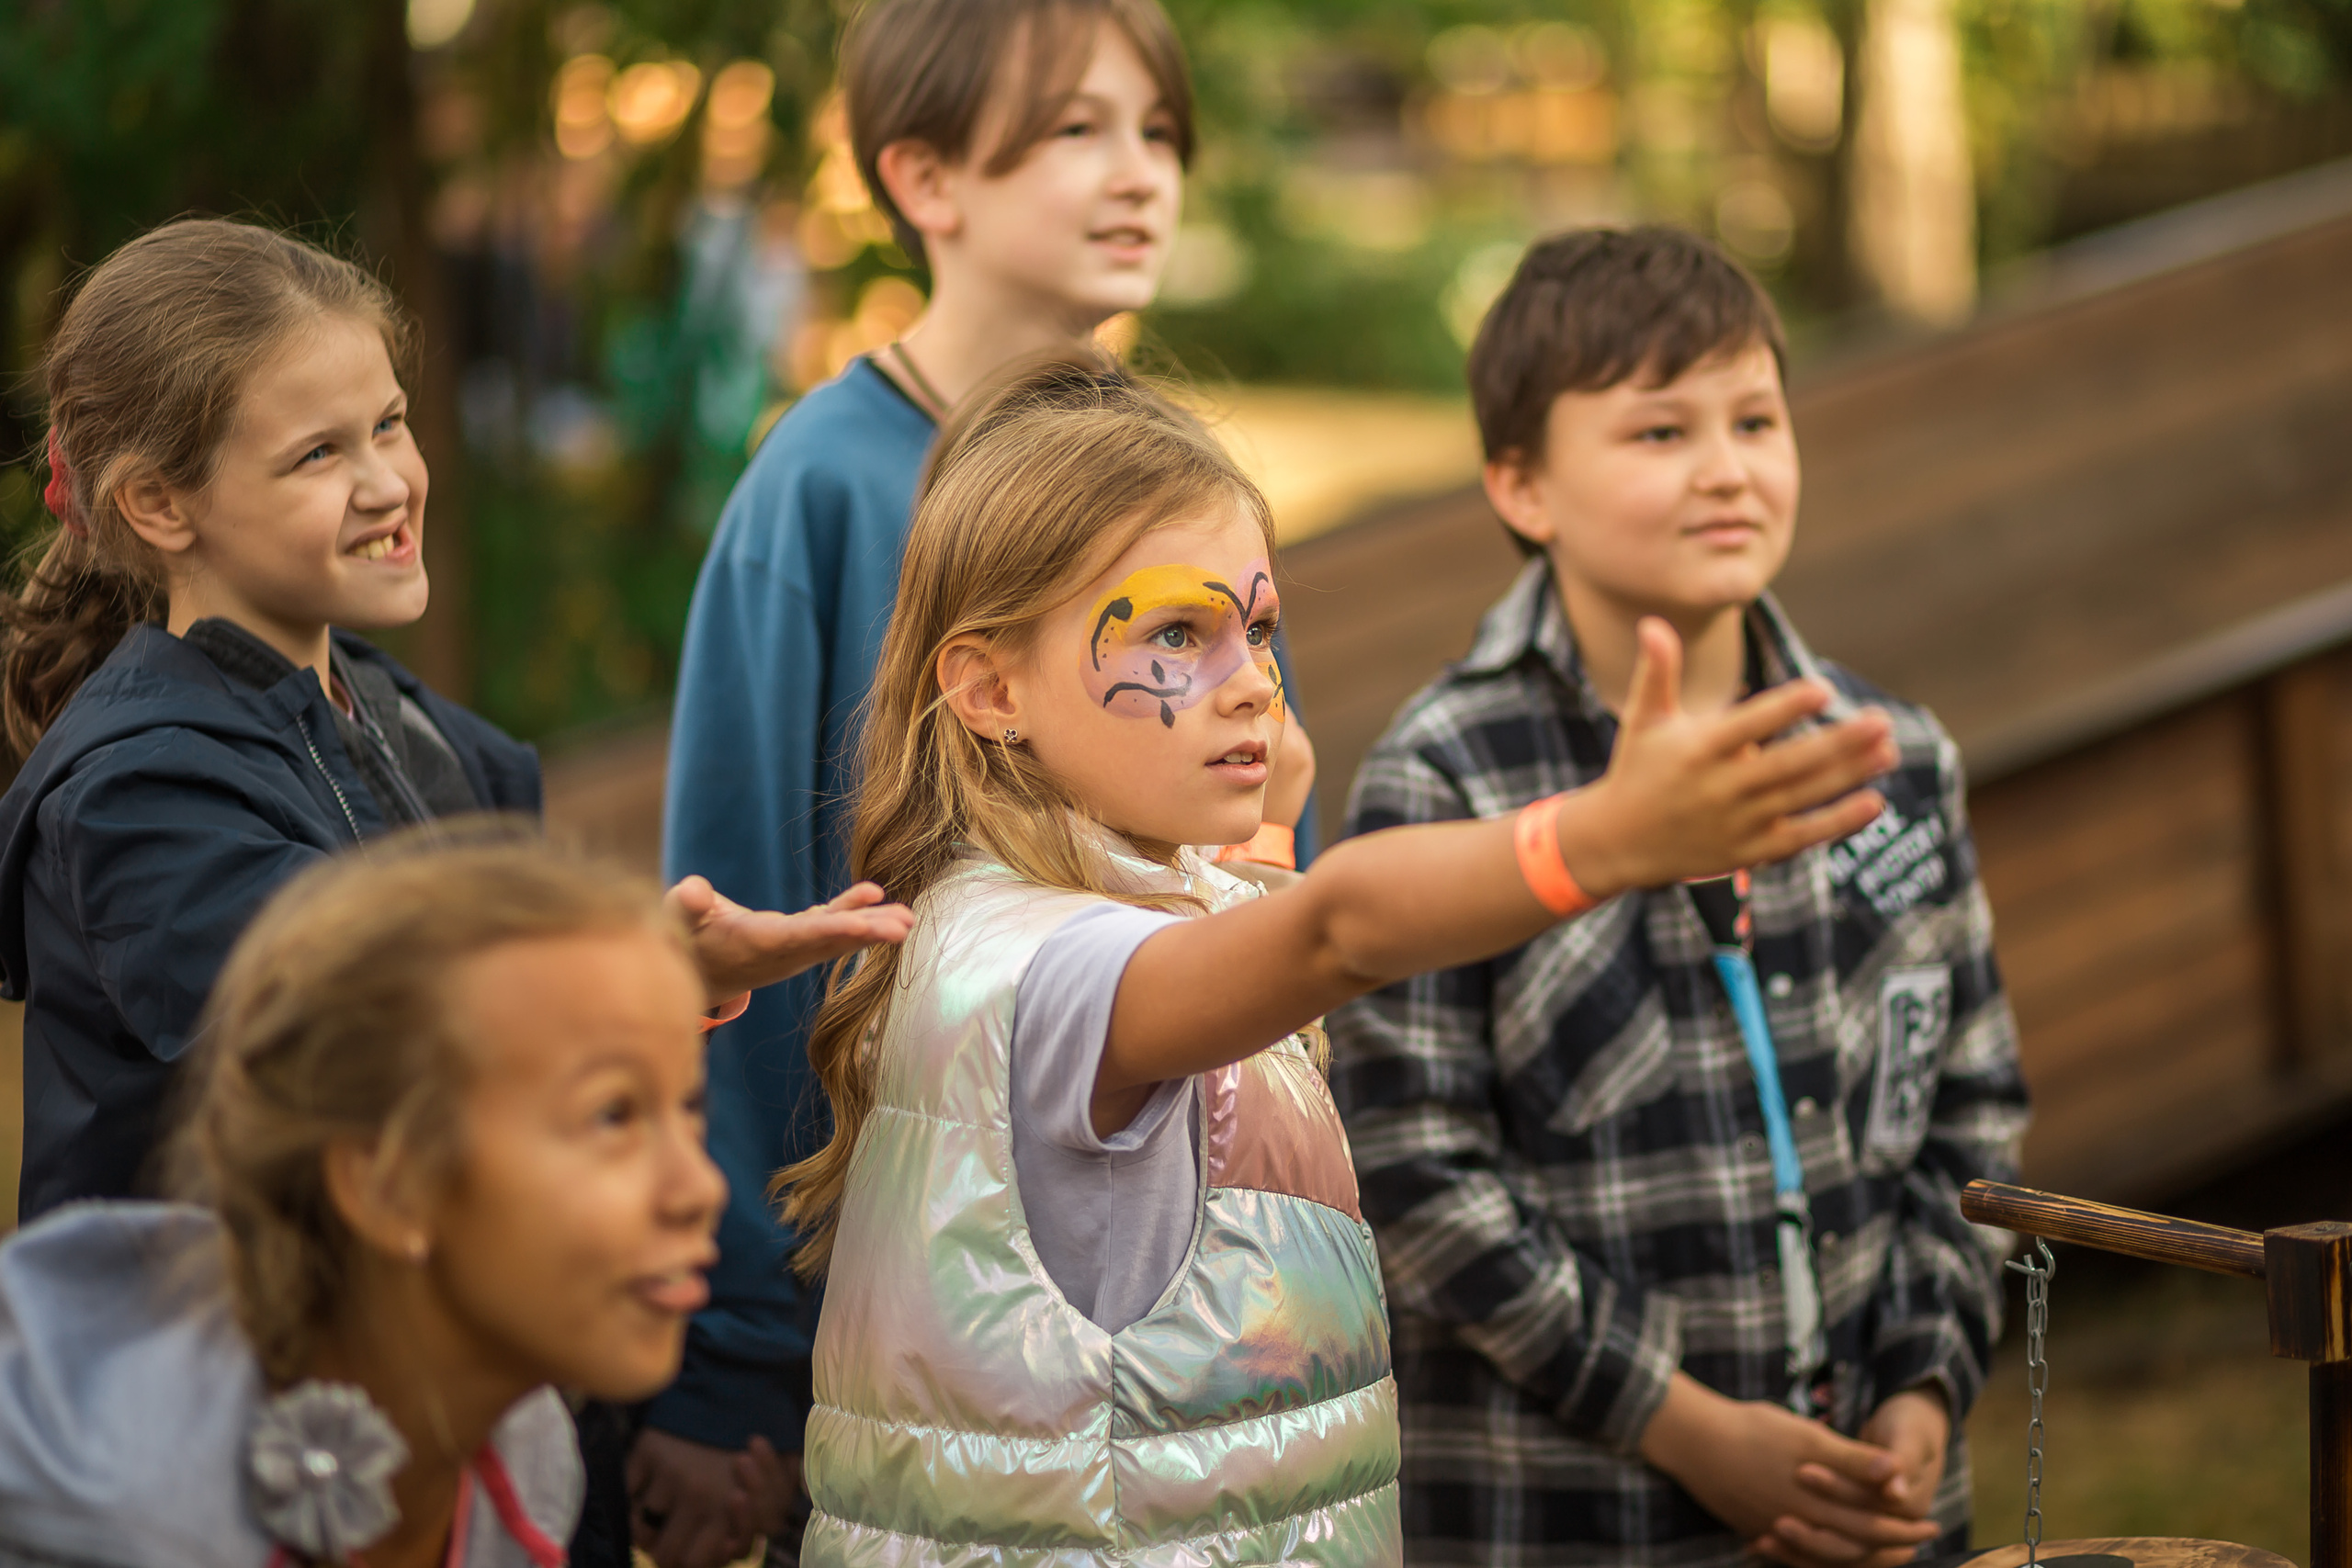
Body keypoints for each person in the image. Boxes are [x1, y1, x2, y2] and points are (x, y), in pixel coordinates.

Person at [771, 356, 1899, 1565]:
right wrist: (1597, 840)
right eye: (1175, 633)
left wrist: (1252, 846)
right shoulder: (1040, 970)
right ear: (991, 688)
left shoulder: (1088, 912)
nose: (1253, 681)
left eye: (1255, 628)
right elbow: (1333, 932)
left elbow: (1220, 1050)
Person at [0, 218, 911, 1564]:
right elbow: (365, 1042)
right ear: (158, 505)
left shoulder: (431, 738)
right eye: (319, 452)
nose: (387, 480)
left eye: (391, 423)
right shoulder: (142, 793)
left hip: (483, 1437)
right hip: (263, 1474)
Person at [651, 1, 1312, 1554]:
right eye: (1078, 128)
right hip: (912, 1331)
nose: (1140, 172)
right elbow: (745, 929)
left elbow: (1266, 841)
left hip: (1200, 1317)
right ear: (926, 179)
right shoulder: (816, 490)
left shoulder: (1186, 493)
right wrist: (730, 1360)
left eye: (1158, 131)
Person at [1326, 226, 2031, 1568]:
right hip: (1585, 1514)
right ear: (1522, 484)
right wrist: (1686, 1422)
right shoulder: (1450, 774)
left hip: (1882, 1511)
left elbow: (1974, 1105)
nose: (1726, 467)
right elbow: (1414, 1172)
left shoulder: (1894, 752)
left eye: (1756, 418)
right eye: (1659, 432)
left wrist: (1922, 1389)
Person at [0, 830, 738, 1568]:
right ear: (388, 1183)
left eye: (690, 1108)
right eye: (613, 1116)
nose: (701, 1188)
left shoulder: (528, 1458)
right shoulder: (122, 1521)